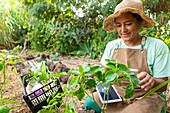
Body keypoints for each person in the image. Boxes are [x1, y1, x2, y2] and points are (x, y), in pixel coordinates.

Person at [84, 0, 170, 113]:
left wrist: (152, 81)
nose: (123, 30)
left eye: (128, 24)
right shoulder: (113, 46)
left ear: (140, 22)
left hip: (145, 96)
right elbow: (104, 74)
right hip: (116, 94)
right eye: (119, 25)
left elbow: (163, 85)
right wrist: (91, 74)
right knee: (90, 102)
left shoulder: (157, 46)